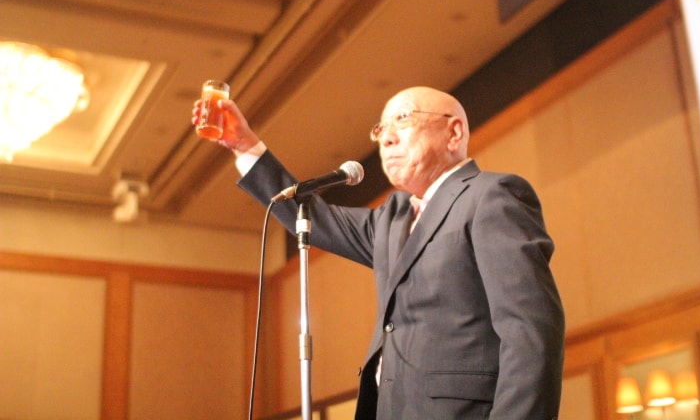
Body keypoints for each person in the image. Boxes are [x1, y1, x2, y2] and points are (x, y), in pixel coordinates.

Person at [192, 86, 565, 419]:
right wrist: (244, 144)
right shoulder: (393, 217)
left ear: (454, 132)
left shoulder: (491, 196)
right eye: (380, 129)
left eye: (402, 119)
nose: (386, 138)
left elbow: (530, 331)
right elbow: (313, 217)